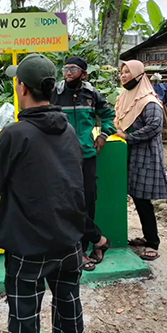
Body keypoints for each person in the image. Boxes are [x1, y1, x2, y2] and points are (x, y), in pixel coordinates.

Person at [0, 53, 87, 333]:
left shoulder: (15, 134)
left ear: (22, 87)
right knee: (69, 311)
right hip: (69, 242)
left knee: (25, 319)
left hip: (27, 245)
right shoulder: (68, 130)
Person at [50, 56, 116, 271]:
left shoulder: (92, 94)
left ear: (84, 73)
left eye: (74, 69)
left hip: (87, 156)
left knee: (88, 201)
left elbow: (109, 116)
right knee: (67, 202)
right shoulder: (55, 93)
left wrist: (104, 135)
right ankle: (93, 243)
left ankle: (86, 248)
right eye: (66, 69)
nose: (68, 73)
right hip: (62, 157)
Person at [115, 60, 167, 261]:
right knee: (137, 198)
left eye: (128, 72)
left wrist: (129, 137)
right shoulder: (126, 97)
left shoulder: (148, 100)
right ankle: (148, 237)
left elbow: (155, 126)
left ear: (139, 75)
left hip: (146, 155)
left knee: (143, 199)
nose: (124, 75)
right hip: (130, 154)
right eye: (122, 72)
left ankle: (153, 243)